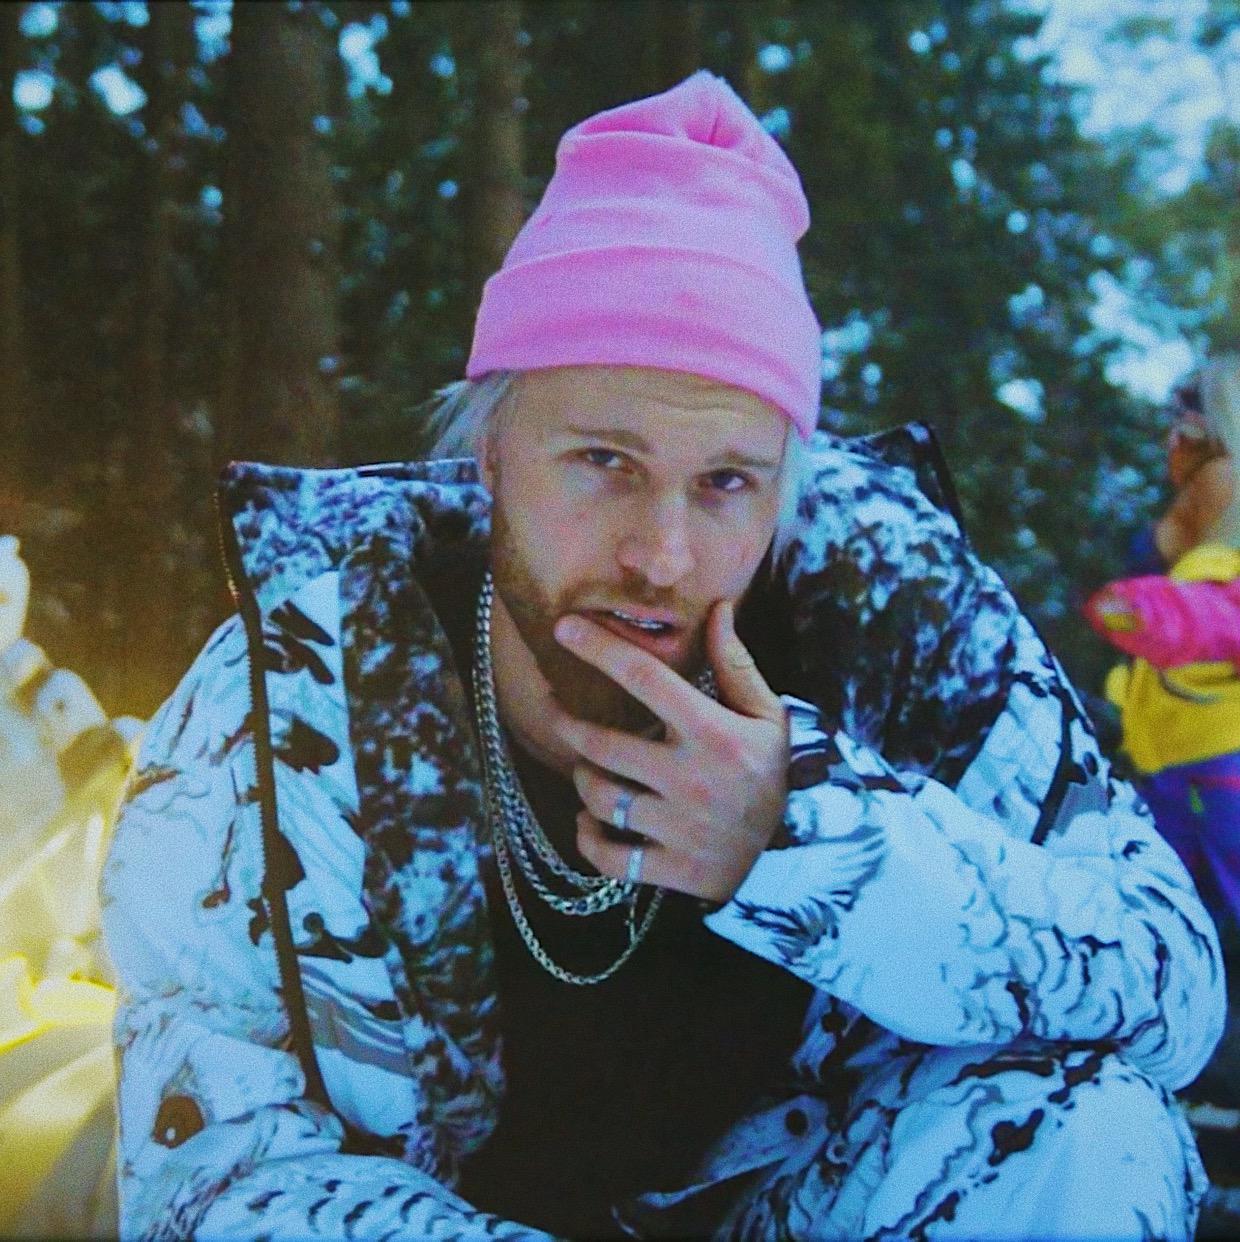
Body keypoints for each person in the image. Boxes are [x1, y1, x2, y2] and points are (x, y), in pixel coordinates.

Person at [102, 72, 1224, 1241]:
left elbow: (1173, 990)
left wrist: (809, 845)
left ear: (784, 490)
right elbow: (218, 1180)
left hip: (817, 1209)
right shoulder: (295, 687)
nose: (662, 556)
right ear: (488, 458)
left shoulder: (892, 619)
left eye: (726, 482)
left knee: (1092, 1129)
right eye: (604, 462)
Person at [1088, 355, 1240, 938]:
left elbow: (1216, 617)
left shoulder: (1220, 486)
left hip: (1215, 765)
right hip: (1172, 763)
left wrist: (1160, 614)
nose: (1170, 446)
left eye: (1185, 430)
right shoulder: (1198, 515)